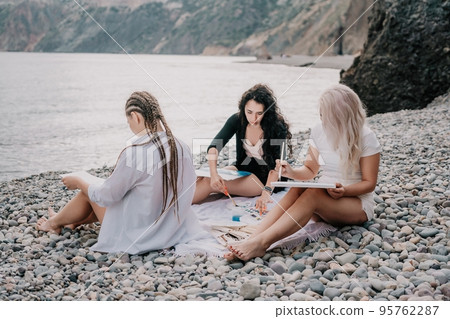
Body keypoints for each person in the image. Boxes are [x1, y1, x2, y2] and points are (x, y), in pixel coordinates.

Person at [37, 91, 215, 255]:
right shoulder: (182, 146)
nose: (129, 126)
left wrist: (78, 181)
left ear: (136, 117)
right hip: (172, 228)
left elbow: (106, 196)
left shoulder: (136, 151)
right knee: (103, 190)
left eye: (128, 121)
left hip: (140, 234)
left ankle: (52, 223)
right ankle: (67, 221)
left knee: (89, 193)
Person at [225, 84, 381, 261]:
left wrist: (344, 191)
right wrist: (290, 172)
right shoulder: (318, 130)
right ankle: (252, 238)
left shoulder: (366, 137)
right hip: (327, 195)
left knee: (313, 194)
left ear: (340, 115)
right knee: (297, 188)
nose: (322, 119)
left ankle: (261, 244)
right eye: (321, 114)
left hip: (356, 203)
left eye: (326, 115)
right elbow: (310, 171)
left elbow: (369, 183)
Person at [193, 83, 292, 213]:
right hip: (242, 168)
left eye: (259, 113)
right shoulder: (237, 120)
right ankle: (168, 201)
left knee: (208, 183)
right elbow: (214, 147)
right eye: (249, 112)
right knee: (201, 178)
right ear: (243, 108)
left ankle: (171, 208)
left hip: (264, 178)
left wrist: (266, 192)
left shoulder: (277, 127)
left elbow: (279, 166)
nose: (253, 118)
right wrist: (214, 173)